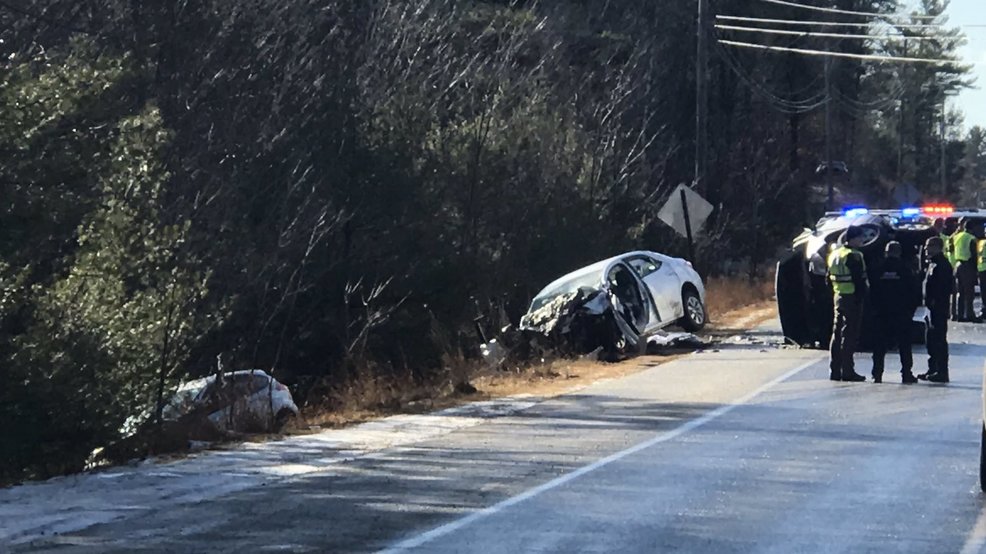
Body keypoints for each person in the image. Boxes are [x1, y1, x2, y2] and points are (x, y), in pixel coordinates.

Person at [869, 241, 919, 384]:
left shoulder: (877, 268)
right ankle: (906, 373)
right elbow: (914, 291)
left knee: (879, 346)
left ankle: (877, 374)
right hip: (901, 313)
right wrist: (911, 311)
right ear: (899, 252)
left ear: (886, 252)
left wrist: (874, 309)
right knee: (904, 345)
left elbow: (872, 290)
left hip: (881, 313)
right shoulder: (905, 268)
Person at [827, 226, 868, 382]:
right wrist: (863, 297)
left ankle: (835, 370)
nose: (862, 241)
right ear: (852, 239)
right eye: (860, 238)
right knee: (849, 335)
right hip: (852, 297)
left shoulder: (835, 254)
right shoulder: (854, 256)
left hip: (839, 295)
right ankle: (848, 371)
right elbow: (859, 281)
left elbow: (827, 278)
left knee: (836, 333)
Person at [919, 236, 953, 383]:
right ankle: (932, 368)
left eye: (929, 246)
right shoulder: (932, 263)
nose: (926, 249)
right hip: (930, 308)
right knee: (930, 339)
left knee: (939, 339)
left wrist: (936, 303)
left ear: (938, 247)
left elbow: (943, 288)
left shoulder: (942, 265)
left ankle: (942, 371)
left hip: (938, 307)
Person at [950, 218, 979, 322]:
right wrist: (976, 269)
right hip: (967, 266)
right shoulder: (972, 238)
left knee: (959, 292)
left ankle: (959, 314)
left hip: (957, 265)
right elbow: (974, 255)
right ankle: (970, 315)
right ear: (972, 228)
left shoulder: (956, 237)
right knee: (969, 292)